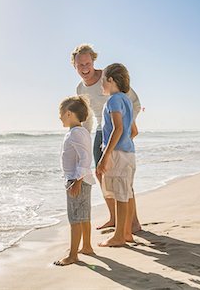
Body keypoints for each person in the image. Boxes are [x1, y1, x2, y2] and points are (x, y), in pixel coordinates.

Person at [71, 43, 141, 232]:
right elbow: (87, 117)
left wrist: (128, 127)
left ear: (93, 61)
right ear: (74, 66)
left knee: (122, 177)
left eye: (87, 63)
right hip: (102, 131)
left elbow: (134, 102)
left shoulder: (108, 78)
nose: (84, 68)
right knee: (101, 173)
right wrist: (81, 137)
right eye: (80, 65)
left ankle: (133, 223)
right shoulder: (80, 88)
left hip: (118, 129)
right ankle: (114, 218)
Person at [97, 63, 136, 247]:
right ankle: (126, 233)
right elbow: (133, 130)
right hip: (129, 152)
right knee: (126, 193)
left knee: (120, 195)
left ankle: (119, 236)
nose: (101, 85)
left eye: (103, 80)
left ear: (111, 80)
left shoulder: (113, 100)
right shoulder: (126, 99)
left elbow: (118, 128)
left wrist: (106, 155)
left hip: (118, 154)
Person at [54, 95, 95, 266]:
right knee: (84, 216)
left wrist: (77, 181)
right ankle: (86, 246)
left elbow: (85, 158)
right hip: (82, 179)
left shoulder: (76, 133)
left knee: (75, 219)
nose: (59, 117)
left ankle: (72, 255)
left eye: (61, 114)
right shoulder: (81, 131)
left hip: (76, 181)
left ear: (69, 113)